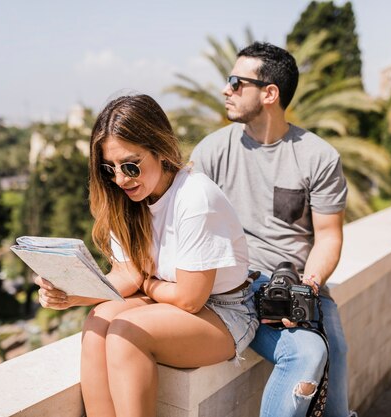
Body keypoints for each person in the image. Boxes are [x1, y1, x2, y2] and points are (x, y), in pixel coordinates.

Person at [34, 94, 259, 417]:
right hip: (169, 300)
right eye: (109, 168)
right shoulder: (126, 200)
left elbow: (190, 299)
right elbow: (128, 275)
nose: (121, 179)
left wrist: (149, 283)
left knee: (126, 333)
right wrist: (70, 294)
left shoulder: (195, 197)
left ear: (160, 150)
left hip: (225, 311)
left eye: (130, 165)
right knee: (99, 323)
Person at [190, 42, 354, 417]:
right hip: (235, 286)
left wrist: (306, 291)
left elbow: (328, 235)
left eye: (235, 82)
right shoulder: (211, 152)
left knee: (337, 363)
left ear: (269, 93)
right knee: (309, 354)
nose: (225, 90)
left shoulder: (319, 157)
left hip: (299, 283)